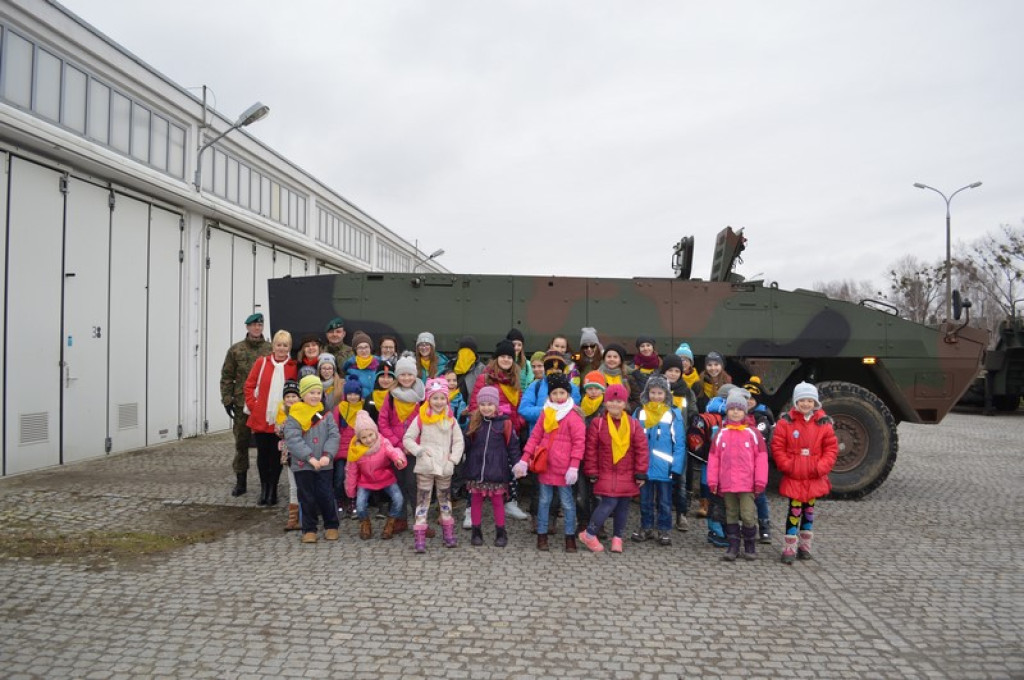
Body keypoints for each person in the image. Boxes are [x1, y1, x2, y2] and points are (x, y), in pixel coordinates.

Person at [513, 373, 585, 552]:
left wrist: (574, 466)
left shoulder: (573, 415)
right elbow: (535, 437)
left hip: (565, 469)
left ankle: (569, 538)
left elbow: (578, 443)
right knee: (544, 501)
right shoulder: (546, 413)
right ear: (549, 395)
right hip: (546, 466)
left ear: (568, 394)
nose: (558, 397)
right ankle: (542, 535)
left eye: (562, 393)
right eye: (555, 393)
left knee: (567, 503)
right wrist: (524, 460)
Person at [772, 382, 838, 564]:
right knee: (794, 510)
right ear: (796, 402)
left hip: (813, 474)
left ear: (815, 402)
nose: (806, 404)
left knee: (808, 510)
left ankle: (805, 545)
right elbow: (778, 446)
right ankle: (789, 546)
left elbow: (831, 448)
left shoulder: (823, 423)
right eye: (802, 400)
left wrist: (821, 467)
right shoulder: (786, 422)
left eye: (810, 400)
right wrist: (788, 465)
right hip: (795, 474)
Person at [578, 384, 649, 554]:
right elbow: (591, 449)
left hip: (627, 472)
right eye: (611, 401)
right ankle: (589, 533)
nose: (614, 405)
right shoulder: (598, 423)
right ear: (605, 403)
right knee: (609, 502)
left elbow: (641, 449)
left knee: (623, 505)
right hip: (606, 471)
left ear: (624, 404)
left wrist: (641, 472)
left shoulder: (633, 424)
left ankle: (618, 537)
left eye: (618, 401)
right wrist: (592, 471)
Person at [469, 340, 529, 521]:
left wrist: (517, 423)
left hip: (509, 430)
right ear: (496, 358)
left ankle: (510, 502)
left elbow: (520, 406)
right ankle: (470, 509)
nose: (506, 359)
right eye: (503, 356)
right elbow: (474, 405)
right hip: (487, 428)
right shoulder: (485, 378)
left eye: (509, 357)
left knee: (510, 466)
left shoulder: (515, 381)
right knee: (478, 468)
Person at [404, 377, 466, 553]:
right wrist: (419, 451)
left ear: (447, 399)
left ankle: (448, 532)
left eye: (442, 398)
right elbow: (408, 438)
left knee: (445, 499)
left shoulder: (451, 420)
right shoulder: (421, 418)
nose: (438, 402)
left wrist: (453, 460)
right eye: (434, 398)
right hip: (426, 465)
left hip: (445, 465)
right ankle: (420, 535)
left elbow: (459, 442)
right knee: (423, 500)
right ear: (428, 399)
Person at [707, 389, 769, 561]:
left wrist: (760, 481)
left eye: (739, 409)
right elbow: (713, 459)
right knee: (731, 515)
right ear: (727, 410)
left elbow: (762, 459)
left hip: (747, 484)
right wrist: (712, 481)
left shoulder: (753, 433)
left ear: (745, 411)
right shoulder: (721, 433)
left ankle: (749, 545)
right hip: (727, 484)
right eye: (732, 409)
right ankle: (733, 546)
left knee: (748, 515)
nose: (735, 412)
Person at [283, 375, 341, 544]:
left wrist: (327, 455)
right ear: (303, 394)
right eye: (311, 393)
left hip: (324, 464)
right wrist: (309, 457)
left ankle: (331, 525)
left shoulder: (326, 414)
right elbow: (293, 440)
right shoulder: (294, 415)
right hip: (303, 465)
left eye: (318, 392)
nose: (315, 396)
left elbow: (334, 435)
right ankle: (309, 529)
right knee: (307, 497)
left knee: (326, 495)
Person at [462, 386, 522, 547]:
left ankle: (501, 532)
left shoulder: (505, 423)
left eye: (489, 404)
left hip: (497, 470)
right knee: (475, 501)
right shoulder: (474, 421)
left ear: (496, 405)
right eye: (482, 404)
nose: (486, 408)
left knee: (497, 502)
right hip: (476, 469)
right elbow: (465, 443)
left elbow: (513, 446)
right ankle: (476, 531)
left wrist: (518, 464)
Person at [244, 330, 298, 506]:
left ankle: (273, 490)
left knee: (276, 457)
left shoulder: (292, 366)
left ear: (289, 347)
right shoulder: (262, 362)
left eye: (285, 345)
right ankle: (264, 488)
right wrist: (254, 405)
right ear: (273, 345)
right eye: (278, 345)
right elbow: (249, 385)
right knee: (262, 455)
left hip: (281, 419)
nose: (281, 348)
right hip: (262, 417)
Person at [631, 374, 686, 546]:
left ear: (666, 395)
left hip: (665, 467)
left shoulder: (673, 414)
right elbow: (631, 439)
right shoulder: (639, 413)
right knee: (645, 500)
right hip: (644, 466)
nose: (656, 396)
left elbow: (679, 444)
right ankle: (646, 527)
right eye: (653, 392)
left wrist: (676, 468)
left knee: (664, 502)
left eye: (659, 393)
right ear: (647, 393)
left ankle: (664, 529)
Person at [221, 312, 271, 497]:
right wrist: (227, 399)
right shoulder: (236, 350)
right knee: (241, 443)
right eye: (253, 325)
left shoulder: (271, 349)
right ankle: (240, 482)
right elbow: (227, 377)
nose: (257, 328)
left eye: (260, 325)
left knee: (265, 446)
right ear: (248, 327)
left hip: (264, 406)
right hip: (242, 404)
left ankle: (266, 483)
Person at [378, 355, 425, 533]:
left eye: (409, 374)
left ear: (415, 375)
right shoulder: (390, 397)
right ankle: (401, 519)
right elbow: (383, 423)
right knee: (398, 484)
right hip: (396, 449)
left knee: (415, 485)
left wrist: (412, 445)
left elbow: (426, 424)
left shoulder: (421, 398)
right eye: (402, 375)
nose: (406, 378)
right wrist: (398, 443)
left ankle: (420, 520)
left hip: (414, 450)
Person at [345, 411, 407, 540]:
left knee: (398, 499)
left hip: (385, 477)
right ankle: (365, 523)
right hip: (365, 481)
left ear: (375, 432)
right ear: (358, 438)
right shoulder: (355, 450)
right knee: (360, 504)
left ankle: (391, 522)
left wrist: (398, 459)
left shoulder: (383, 442)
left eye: (370, 435)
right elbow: (351, 471)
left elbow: (393, 451)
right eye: (364, 437)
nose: (369, 439)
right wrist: (351, 490)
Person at [660, 353, 699, 531]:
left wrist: (693, 423)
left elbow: (693, 412)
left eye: (677, 371)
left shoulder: (686, 391)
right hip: (660, 442)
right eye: (670, 370)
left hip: (679, 443)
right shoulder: (657, 389)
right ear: (664, 371)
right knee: (660, 480)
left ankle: (681, 514)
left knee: (681, 480)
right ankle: (661, 513)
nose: (674, 374)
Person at [744, 376, 776, 543]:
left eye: (752, 398)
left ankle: (764, 526)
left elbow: (760, 440)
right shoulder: (739, 415)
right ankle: (747, 526)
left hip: (758, 464)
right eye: (746, 398)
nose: (749, 401)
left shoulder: (762, 418)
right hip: (743, 464)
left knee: (760, 497)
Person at [519, 350, 582, 435]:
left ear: (563, 370)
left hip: (563, 438)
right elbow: (524, 409)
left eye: (558, 370)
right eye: (550, 370)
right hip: (539, 438)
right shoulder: (535, 386)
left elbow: (574, 412)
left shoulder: (572, 388)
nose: (554, 373)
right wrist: (547, 411)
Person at [577, 371, 607, 533]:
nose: (593, 391)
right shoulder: (580, 407)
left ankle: (598, 524)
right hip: (581, 455)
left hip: (599, 457)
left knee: (598, 495)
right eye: (590, 388)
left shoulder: (606, 409)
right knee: (581, 495)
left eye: (597, 388)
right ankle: (582, 522)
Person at [332, 375, 364, 519]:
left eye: (356, 394)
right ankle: (340, 500)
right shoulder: (340, 409)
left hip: (357, 451)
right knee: (339, 478)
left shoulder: (363, 409)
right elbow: (333, 429)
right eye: (350, 394)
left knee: (355, 478)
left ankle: (353, 501)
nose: (353, 397)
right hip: (340, 451)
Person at [274, 379, 302, 531]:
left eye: (294, 396)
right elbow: (278, 431)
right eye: (288, 397)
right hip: (289, 455)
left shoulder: (304, 411)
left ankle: (306, 515)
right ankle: (293, 518)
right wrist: (287, 418)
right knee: (293, 486)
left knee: (304, 485)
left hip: (304, 454)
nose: (291, 399)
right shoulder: (281, 412)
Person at [341, 331, 380, 399]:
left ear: (370, 348)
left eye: (366, 347)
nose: (364, 351)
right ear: (355, 350)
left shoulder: (380, 364)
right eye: (360, 348)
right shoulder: (350, 368)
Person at [675, 342, 706, 410]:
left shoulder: (697, 381)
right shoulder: (672, 377)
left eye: (686, 360)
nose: (684, 363)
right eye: (681, 359)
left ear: (691, 363)